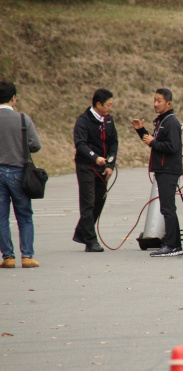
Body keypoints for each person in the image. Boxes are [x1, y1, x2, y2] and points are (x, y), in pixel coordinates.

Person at [131, 88, 183, 257]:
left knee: (168, 208)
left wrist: (153, 142)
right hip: (162, 170)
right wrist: (141, 131)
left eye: (159, 101)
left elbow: (172, 147)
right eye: (154, 100)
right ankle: (172, 243)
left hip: (168, 170)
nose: (156, 104)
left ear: (169, 103)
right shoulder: (161, 121)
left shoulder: (171, 122)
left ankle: (173, 245)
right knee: (166, 208)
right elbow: (154, 142)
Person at [0, 81, 41, 269]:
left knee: (1, 216)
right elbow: (35, 145)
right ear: (14, 98)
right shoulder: (23, 119)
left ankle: (8, 257)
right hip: (18, 171)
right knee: (24, 215)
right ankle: (27, 256)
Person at [73, 88, 118, 252]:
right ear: (98, 104)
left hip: (102, 167)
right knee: (88, 202)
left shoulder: (109, 120)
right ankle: (91, 241)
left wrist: (110, 165)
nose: (110, 108)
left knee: (100, 199)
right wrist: (95, 157)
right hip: (86, 166)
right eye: (108, 105)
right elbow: (80, 144)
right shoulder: (83, 121)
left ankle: (81, 232)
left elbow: (114, 142)